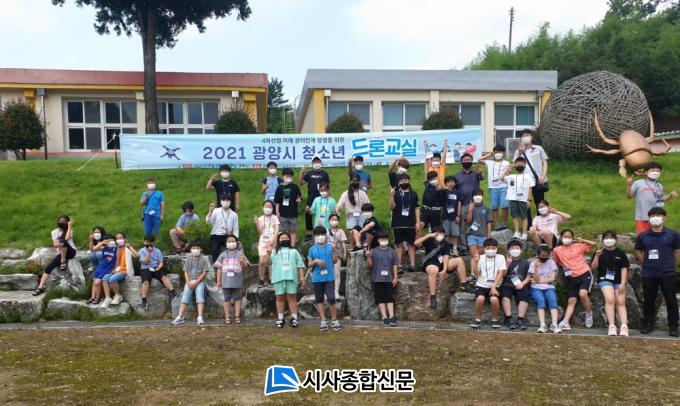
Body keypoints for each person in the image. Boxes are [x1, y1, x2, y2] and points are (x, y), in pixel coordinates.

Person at [635, 207, 680, 336]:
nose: (655, 217)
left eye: (658, 215)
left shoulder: (673, 234)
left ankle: (673, 327)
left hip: (668, 273)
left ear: (664, 218)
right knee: (649, 300)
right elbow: (638, 252)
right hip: (649, 273)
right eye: (653, 215)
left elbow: (678, 251)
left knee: (671, 300)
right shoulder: (643, 236)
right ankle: (648, 325)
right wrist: (646, 262)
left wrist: (670, 263)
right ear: (649, 218)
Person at [552, 229, 597, 330]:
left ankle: (589, 314)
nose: (567, 238)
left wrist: (581, 240)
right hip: (572, 277)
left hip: (585, 273)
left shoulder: (578, 246)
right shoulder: (557, 250)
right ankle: (565, 322)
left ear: (572, 238)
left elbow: (594, 244)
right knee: (571, 300)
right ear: (561, 238)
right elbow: (556, 261)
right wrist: (564, 266)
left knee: (583, 294)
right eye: (565, 236)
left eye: (569, 237)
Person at [415, 226, 467, 309]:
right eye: (438, 233)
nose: (440, 235)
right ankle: (433, 296)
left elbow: (446, 257)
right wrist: (428, 235)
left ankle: (464, 284)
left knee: (459, 260)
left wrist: (444, 270)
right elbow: (416, 243)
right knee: (433, 270)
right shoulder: (428, 240)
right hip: (430, 263)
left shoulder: (446, 244)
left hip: (441, 263)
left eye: (442, 233)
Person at [591, 230, 630, 336]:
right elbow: (593, 268)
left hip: (618, 281)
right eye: (606, 238)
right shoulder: (599, 252)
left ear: (615, 240)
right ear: (603, 240)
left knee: (621, 301)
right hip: (604, 279)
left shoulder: (620, 253)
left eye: (611, 238)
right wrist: (597, 256)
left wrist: (623, 283)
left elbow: (624, 268)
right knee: (610, 299)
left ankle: (624, 326)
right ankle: (612, 326)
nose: (609, 240)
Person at [627, 162, 677, 235]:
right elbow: (629, 196)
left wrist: (670, 195)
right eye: (652, 170)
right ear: (646, 172)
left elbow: (661, 201)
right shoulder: (638, 183)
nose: (655, 172)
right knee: (642, 237)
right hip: (642, 216)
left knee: (656, 236)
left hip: (656, 217)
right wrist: (629, 185)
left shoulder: (659, 185)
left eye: (658, 171)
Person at [307, 226, 342, 332]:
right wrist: (315, 261)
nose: (320, 237)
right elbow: (309, 264)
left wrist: (335, 251)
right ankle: (323, 320)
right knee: (319, 299)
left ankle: (334, 320)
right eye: (318, 235)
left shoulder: (330, 246)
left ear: (325, 235)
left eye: (322, 234)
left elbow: (335, 261)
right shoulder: (312, 249)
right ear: (315, 236)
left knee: (331, 298)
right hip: (317, 278)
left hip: (329, 277)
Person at [33, 215, 77, 296]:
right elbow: (55, 244)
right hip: (60, 253)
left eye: (64, 222)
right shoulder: (54, 232)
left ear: (67, 223)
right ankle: (40, 287)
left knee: (63, 242)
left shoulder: (69, 230)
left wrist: (70, 226)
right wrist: (59, 244)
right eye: (60, 221)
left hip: (71, 252)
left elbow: (67, 238)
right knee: (48, 268)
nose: (61, 223)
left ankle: (63, 261)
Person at [271, 232, 306, 328]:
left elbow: (300, 265)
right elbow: (268, 262)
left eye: (286, 238)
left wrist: (302, 277)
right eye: (282, 238)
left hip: (291, 277)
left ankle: (294, 318)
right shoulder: (274, 251)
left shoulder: (294, 251)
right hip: (278, 278)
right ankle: (280, 318)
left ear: (289, 240)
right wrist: (268, 251)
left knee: (292, 298)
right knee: (279, 298)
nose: (284, 240)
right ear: (278, 240)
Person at [469, 238, 505, 329]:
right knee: (480, 298)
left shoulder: (501, 257)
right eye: (488, 248)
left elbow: (500, 273)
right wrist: (476, 262)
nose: (491, 250)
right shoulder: (480, 257)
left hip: (496, 285)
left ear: (496, 248)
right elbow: (476, 274)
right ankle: (478, 320)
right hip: (481, 285)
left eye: (493, 248)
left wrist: (493, 287)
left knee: (494, 299)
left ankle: (494, 320)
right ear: (484, 249)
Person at [172, 242, 211, 326]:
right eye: (193, 248)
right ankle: (179, 317)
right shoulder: (188, 259)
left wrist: (196, 282)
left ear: (200, 249)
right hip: (189, 281)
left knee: (200, 298)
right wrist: (188, 282)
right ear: (190, 249)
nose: (195, 250)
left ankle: (200, 317)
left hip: (199, 282)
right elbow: (185, 271)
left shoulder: (203, 259)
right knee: (184, 298)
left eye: (197, 248)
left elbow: (204, 272)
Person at [214, 236, 250, 325]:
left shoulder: (240, 254)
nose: (231, 243)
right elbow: (219, 268)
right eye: (229, 241)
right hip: (225, 281)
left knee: (237, 299)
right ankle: (227, 317)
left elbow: (247, 266)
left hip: (237, 280)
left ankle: (237, 316)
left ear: (237, 243)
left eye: (233, 241)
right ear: (226, 243)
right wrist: (218, 281)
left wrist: (242, 262)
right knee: (226, 299)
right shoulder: (222, 254)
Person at [366, 230, 399, 326]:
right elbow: (370, 265)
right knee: (380, 298)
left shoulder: (392, 251)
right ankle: (384, 317)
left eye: (385, 238)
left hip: (389, 279)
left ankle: (392, 316)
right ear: (378, 240)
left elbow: (395, 265)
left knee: (389, 297)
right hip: (377, 279)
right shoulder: (373, 251)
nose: (384, 240)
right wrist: (368, 256)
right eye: (382, 238)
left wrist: (395, 277)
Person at [390, 173, 421, 273]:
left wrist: (418, 221)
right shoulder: (396, 193)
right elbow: (391, 207)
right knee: (398, 244)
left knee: (411, 244)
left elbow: (417, 208)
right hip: (398, 223)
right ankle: (399, 265)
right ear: (398, 182)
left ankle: (412, 264)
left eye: (406, 180)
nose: (404, 182)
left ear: (409, 181)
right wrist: (391, 196)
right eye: (401, 180)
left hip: (411, 223)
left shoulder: (414, 194)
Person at [453, 153, 484, 252]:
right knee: (462, 227)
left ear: (472, 161)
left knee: (474, 226)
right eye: (465, 160)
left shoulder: (476, 174)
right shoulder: (456, 175)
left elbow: (482, 177)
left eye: (469, 160)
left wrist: (480, 173)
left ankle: (473, 246)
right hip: (461, 204)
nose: (467, 161)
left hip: (474, 204)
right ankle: (463, 247)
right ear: (461, 162)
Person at [528, 245, 561, 333]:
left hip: (549, 287)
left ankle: (554, 324)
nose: (544, 258)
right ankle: (542, 324)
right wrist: (536, 268)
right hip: (536, 288)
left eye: (546, 256)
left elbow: (552, 278)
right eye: (542, 256)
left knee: (552, 300)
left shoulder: (551, 263)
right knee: (540, 300)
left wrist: (540, 281)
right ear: (538, 255)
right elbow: (535, 279)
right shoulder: (533, 264)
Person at [513, 129, 549, 212]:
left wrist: (543, 176)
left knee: (540, 203)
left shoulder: (538, 148)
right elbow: (515, 165)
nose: (526, 137)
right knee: (525, 203)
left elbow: (544, 162)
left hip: (538, 180)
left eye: (528, 135)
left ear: (531, 137)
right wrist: (520, 152)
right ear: (521, 138)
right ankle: (528, 220)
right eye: (523, 136)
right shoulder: (517, 151)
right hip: (524, 181)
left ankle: (540, 219)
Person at [138, 234, 177, 311]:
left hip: (155, 267)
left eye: (150, 242)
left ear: (153, 243)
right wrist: (149, 253)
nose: (149, 244)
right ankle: (144, 300)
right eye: (147, 242)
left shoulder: (157, 251)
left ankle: (173, 292)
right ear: (144, 242)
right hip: (146, 268)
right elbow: (145, 262)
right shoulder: (141, 251)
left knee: (164, 277)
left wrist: (158, 267)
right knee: (145, 281)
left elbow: (161, 262)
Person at [500, 157, 534, 241]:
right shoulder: (511, 176)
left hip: (523, 199)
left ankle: (524, 233)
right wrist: (508, 169)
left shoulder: (528, 177)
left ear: (525, 165)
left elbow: (530, 188)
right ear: (515, 165)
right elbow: (501, 178)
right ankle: (517, 232)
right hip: (512, 199)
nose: (520, 165)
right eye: (518, 164)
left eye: (522, 164)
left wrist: (529, 200)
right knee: (514, 215)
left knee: (524, 216)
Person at [101, 232, 138, 309]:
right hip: (117, 270)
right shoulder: (116, 249)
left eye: (121, 238)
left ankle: (118, 295)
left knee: (112, 279)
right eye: (117, 238)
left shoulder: (127, 248)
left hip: (125, 271)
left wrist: (130, 246)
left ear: (125, 239)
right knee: (105, 278)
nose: (119, 240)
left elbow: (137, 255)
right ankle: (107, 298)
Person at [501, 240, 531, 330]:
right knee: (505, 296)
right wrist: (507, 264)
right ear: (508, 250)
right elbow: (502, 275)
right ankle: (508, 318)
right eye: (512, 248)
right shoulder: (504, 261)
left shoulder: (526, 262)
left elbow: (529, 276)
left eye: (517, 248)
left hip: (521, 284)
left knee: (524, 296)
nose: (515, 250)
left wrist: (523, 283)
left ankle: (520, 319)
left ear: (521, 250)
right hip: (507, 284)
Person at [479, 145, 510, 230]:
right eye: (496, 152)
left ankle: (504, 223)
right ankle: (496, 224)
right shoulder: (489, 162)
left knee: (505, 205)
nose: (498, 153)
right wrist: (490, 155)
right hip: (493, 187)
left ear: (503, 153)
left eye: (500, 152)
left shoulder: (506, 163)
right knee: (494, 206)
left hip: (504, 186)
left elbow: (508, 173)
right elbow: (479, 159)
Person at [300, 156, 330, 242]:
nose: (317, 163)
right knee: (308, 214)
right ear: (312, 163)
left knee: (322, 212)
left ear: (321, 163)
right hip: (311, 197)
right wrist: (302, 173)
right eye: (315, 162)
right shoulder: (309, 173)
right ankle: (309, 233)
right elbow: (301, 183)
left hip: (322, 197)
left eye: (318, 162)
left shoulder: (324, 174)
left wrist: (328, 197)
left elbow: (328, 186)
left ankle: (323, 230)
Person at [336, 174, 370, 250]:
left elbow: (368, 204)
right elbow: (339, 204)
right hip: (351, 216)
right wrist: (336, 210)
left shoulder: (363, 193)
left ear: (359, 182)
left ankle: (361, 248)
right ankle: (352, 248)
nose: (355, 182)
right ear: (350, 182)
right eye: (353, 181)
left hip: (362, 215)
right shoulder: (345, 193)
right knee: (352, 234)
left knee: (362, 233)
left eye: (356, 181)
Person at [274, 168, 302, 247]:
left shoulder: (295, 187)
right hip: (283, 213)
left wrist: (299, 200)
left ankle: (292, 246)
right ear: (283, 176)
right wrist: (277, 211)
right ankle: (285, 246)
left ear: (292, 177)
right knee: (284, 231)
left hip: (293, 213)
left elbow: (299, 197)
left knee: (293, 231)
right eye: (287, 176)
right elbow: (277, 201)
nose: (288, 178)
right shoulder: (279, 188)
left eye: (290, 176)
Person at [206, 195, 239, 261]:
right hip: (216, 235)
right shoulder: (216, 211)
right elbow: (208, 221)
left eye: (227, 200)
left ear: (230, 202)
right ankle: (216, 264)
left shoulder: (234, 214)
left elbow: (236, 229)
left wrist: (235, 239)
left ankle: (232, 262)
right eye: (223, 200)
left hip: (227, 235)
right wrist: (210, 212)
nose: (225, 202)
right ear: (221, 201)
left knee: (234, 246)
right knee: (214, 249)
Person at [254, 200, 279, 287]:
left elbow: (277, 230)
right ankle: (261, 279)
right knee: (262, 262)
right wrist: (257, 224)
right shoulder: (260, 218)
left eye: (270, 207)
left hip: (272, 240)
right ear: (263, 208)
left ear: (272, 208)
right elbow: (260, 232)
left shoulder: (275, 218)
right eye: (266, 206)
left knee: (270, 261)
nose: (268, 208)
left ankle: (271, 279)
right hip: (262, 241)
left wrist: (273, 241)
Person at [464, 189, 493, 261]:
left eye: (479, 195)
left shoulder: (486, 208)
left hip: (482, 235)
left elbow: (488, 222)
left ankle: (480, 268)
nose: (478, 196)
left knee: (481, 255)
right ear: (473, 197)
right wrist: (470, 210)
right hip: (471, 234)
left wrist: (489, 234)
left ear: (482, 196)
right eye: (476, 195)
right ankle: (473, 268)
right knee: (474, 254)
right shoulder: (468, 207)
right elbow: (468, 221)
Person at [88, 234, 116, 305]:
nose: (110, 242)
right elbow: (92, 249)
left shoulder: (116, 249)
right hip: (101, 267)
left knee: (97, 283)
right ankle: (93, 297)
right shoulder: (104, 247)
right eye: (108, 240)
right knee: (94, 282)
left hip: (108, 268)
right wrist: (102, 242)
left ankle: (98, 297)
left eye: (112, 240)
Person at [328, 213, 348, 298]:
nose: (334, 221)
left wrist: (345, 253)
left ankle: (336, 292)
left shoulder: (341, 231)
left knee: (337, 273)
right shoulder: (326, 231)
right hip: (328, 254)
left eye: (336, 219)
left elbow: (343, 243)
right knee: (329, 273)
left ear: (338, 221)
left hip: (338, 253)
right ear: (329, 221)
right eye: (332, 219)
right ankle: (329, 291)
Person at [442, 175, 461, 256]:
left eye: (452, 182)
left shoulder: (457, 193)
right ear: (446, 183)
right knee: (446, 234)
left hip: (454, 216)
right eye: (449, 182)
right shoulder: (444, 192)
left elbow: (459, 204)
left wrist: (458, 215)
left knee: (455, 234)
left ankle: (455, 249)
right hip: (445, 216)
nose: (451, 183)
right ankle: (447, 249)